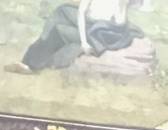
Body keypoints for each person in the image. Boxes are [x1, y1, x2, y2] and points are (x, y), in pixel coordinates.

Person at [7, 0, 142, 74]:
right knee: (62, 11)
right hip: (95, 27)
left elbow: (119, 21)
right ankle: (36, 51)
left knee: (59, 30)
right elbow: (82, 12)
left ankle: (31, 65)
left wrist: (84, 43)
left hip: (97, 33)